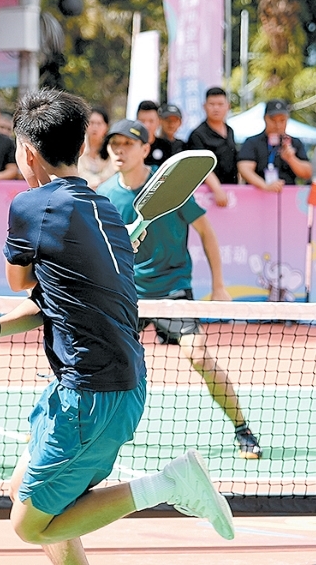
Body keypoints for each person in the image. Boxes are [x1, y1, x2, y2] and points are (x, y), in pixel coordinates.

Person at [0, 89, 234, 565]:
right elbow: (59, 298)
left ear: (26, 152)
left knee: (29, 525)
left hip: (90, 394)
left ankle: (167, 484)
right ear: (84, 145)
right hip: (104, 383)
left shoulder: (31, 205)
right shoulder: (106, 209)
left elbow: (19, 281)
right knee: (21, 489)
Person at [98, 118, 262, 460]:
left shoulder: (168, 188)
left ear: (145, 148)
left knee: (199, 356)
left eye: (127, 144)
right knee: (96, 359)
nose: (119, 150)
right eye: (114, 144)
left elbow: (206, 232)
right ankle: (61, 422)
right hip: (129, 293)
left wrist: (219, 285)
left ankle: (242, 429)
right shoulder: (104, 194)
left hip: (173, 290)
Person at [237, 99, 311, 192]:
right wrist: (265, 186)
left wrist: (291, 159)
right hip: (259, 194)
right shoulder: (252, 142)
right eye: (273, 120)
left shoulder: (295, 143)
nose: (278, 125)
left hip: (287, 195)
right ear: (265, 118)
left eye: (282, 120)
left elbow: (307, 173)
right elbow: (244, 169)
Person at [188, 87, 240, 207]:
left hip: (231, 191)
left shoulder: (230, 131)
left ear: (228, 106)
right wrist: (217, 189)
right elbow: (201, 166)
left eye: (220, 104)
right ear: (204, 106)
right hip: (207, 194)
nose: (216, 108)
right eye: (212, 104)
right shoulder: (197, 135)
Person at [77, 106, 114, 189]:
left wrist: (97, 183)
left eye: (99, 123)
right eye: (92, 123)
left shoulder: (111, 147)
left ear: (106, 126)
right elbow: (78, 171)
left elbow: (110, 174)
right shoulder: (78, 144)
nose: (95, 127)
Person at [136, 100, 179, 165]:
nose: (146, 125)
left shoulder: (166, 146)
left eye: (151, 121)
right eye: (142, 121)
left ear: (159, 122)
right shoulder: (132, 146)